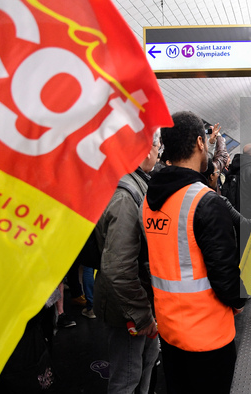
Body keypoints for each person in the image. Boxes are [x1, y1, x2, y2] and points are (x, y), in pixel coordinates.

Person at [142, 111, 245, 394]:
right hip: (208, 338)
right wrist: (240, 300)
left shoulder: (149, 201)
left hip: (170, 334)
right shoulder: (205, 202)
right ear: (201, 143)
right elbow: (226, 279)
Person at [93, 131, 161, 394]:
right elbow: (118, 269)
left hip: (136, 300)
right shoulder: (125, 195)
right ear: (145, 150)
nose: (159, 151)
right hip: (127, 307)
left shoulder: (135, 183)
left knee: (144, 364)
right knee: (127, 377)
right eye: (158, 145)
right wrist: (141, 315)